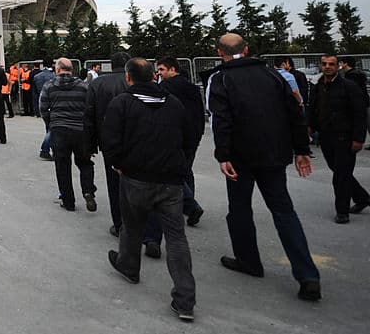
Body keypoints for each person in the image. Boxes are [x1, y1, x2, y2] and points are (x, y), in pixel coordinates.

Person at [206, 33, 321, 302]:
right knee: (284, 212)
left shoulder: (220, 79)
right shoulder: (273, 75)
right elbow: (295, 112)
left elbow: (219, 120)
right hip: (274, 155)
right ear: (246, 50)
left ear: (218, 52)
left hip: (240, 158)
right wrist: (302, 150)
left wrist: (223, 156)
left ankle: (249, 261)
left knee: (240, 210)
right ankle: (308, 276)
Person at [104, 58, 199, 322]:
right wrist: (180, 164)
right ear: (153, 77)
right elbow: (190, 137)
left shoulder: (122, 103)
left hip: (136, 177)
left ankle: (129, 266)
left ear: (129, 78)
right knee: (177, 237)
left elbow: (110, 140)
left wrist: (119, 165)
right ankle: (185, 300)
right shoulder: (174, 104)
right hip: (170, 180)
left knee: (132, 226)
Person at [142, 57, 207, 257]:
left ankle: (153, 237)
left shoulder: (167, 88)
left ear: (172, 69)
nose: (159, 73)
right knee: (185, 173)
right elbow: (199, 113)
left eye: (161, 69)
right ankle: (189, 205)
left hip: (171, 139)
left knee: (159, 182)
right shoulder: (192, 88)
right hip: (191, 138)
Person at [308, 54, 368, 223]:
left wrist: (358, 138)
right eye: (325, 64)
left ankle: (342, 211)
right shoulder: (318, 86)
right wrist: (309, 126)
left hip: (345, 137)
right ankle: (362, 198)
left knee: (341, 175)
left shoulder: (349, 86)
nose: (327, 67)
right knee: (339, 170)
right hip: (326, 137)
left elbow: (360, 114)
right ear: (321, 65)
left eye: (332, 64)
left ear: (338, 66)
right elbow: (313, 108)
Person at [39, 58, 95, 212]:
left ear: (57, 70)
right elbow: (90, 109)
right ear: (72, 69)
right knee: (85, 163)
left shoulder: (49, 86)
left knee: (62, 166)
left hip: (59, 131)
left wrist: (50, 124)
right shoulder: (84, 87)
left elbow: (43, 108)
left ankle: (68, 201)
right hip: (80, 130)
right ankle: (88, 190)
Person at [84, 52, 130, 237]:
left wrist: (90, 145)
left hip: (108, 140)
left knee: (114, 183)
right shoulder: (134, 81)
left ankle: (119, 224)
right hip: (137, 139)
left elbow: (89, 115)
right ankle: (145, 229)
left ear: (110, 65)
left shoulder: (98, 84)